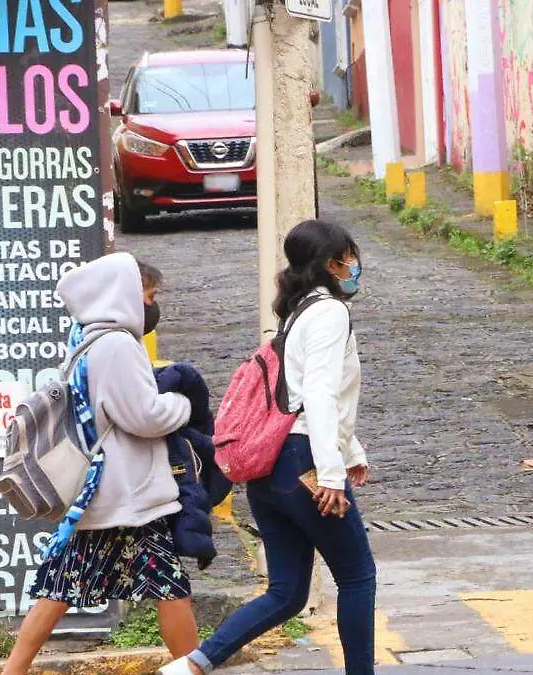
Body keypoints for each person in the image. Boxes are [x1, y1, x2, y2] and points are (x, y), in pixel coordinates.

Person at [160, 220, 375, 675]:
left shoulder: (296, 313)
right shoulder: (330, 312)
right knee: (357, 576)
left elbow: (294, 395)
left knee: (287, 592)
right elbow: (316, 394)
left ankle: (193, 665)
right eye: (349, 255)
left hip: (269, 469)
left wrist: (350, 451)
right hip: (303, 465)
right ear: (332, 263)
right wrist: (332, 473)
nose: (354, 264)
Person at [3, 253, 199, 675]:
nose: (151, 305)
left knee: (62, 585)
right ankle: (192, 668)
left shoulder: (86, 339)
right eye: (148, 295)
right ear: (125, 294)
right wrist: (181, 404)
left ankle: (13, 671)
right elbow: (142, 416)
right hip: (128, 491)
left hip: (106, 494)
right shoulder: (117, 345)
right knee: (169, 587)